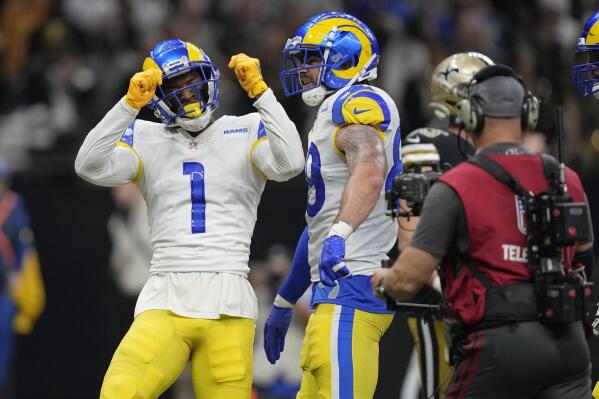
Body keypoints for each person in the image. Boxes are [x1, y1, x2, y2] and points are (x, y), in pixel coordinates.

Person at [75, 39, 305, 399]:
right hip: (166, 294)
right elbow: (88, 165)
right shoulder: (145, 136)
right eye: (175, 87)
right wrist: (126, 106)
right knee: (119, 392)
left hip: (228, 298)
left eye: (191, 80)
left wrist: (262, 93)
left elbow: (291, 163)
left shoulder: (245, 128)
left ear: (209, 79)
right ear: (157, 95)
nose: (187, 93)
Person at [372, 64, 594, 398]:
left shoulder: (456, 184)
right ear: (527, 114)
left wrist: (382, 279)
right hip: (570, 345)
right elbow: (584, 259)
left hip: (499, 346)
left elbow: (408, 278)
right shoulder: (565, 177)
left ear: (469, 116)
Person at [263, 12, 402, 399]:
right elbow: (319, 228)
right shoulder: (329, 111)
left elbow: (371, 169)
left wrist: (340, 234)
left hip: (352, 293)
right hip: (332, 300)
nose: (303, 69)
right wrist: (285, 299)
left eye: (312, 58)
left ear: (346, 58)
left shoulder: (357, 101)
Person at [398, 52, 493, 399]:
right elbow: (409, 240)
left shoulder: (490, 153)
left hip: (491, 297)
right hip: (442, 295)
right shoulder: (429, 146)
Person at [0, 158, 45, 395]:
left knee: (3, 353)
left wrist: (19, 277)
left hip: (5, 291)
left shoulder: (13, 206)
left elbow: (24, 248)